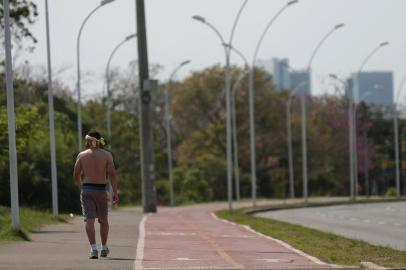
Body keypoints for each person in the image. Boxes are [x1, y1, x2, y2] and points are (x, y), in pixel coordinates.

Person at [73, 131, 119, 259]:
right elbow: (112, 174)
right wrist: (115, 191)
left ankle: (93, 249)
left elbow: (76, 173)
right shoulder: (107, 155)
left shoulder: (81, 155)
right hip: (101, 190)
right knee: (103, 220)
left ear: (90, 141)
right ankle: (104, 248)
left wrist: (81, 185)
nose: (85, 143)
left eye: (86, 140)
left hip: (87, 189)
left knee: (89, 219)